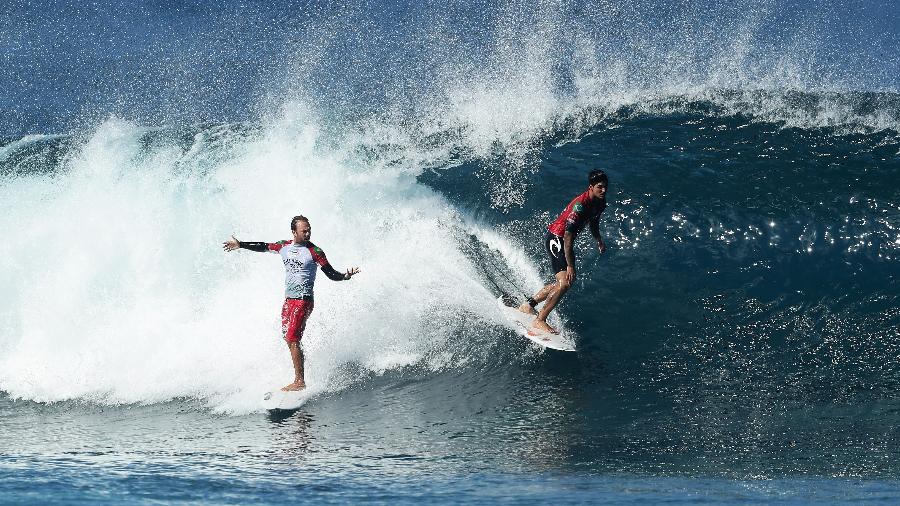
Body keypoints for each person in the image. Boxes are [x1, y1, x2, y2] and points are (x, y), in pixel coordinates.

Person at [223, 215, 359, 391]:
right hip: (289, 300)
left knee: (293, 338)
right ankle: (300, 373)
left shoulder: (315, 251)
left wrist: (345, 276)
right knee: (289, 338)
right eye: (304, 231)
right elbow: (264, 246)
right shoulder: (283, 246)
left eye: (309, 230)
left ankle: (299, 382)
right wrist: (241, 244)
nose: (308, 233)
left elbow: (330, 273)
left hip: (303, 300)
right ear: (294, 232)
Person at [518, 169, 609, 335]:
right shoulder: (579, 207)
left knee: (562, 284)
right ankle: (539, 320)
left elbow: (594, 223)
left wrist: (599, 240)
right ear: (591, 187)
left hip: (564, 241)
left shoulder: (600, 202)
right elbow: (567, 238)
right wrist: (570, 266)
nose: (604, 190)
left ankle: (528, 305)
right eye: (600, 187)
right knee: (565, 282)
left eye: (605, 187)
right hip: (556, 239)